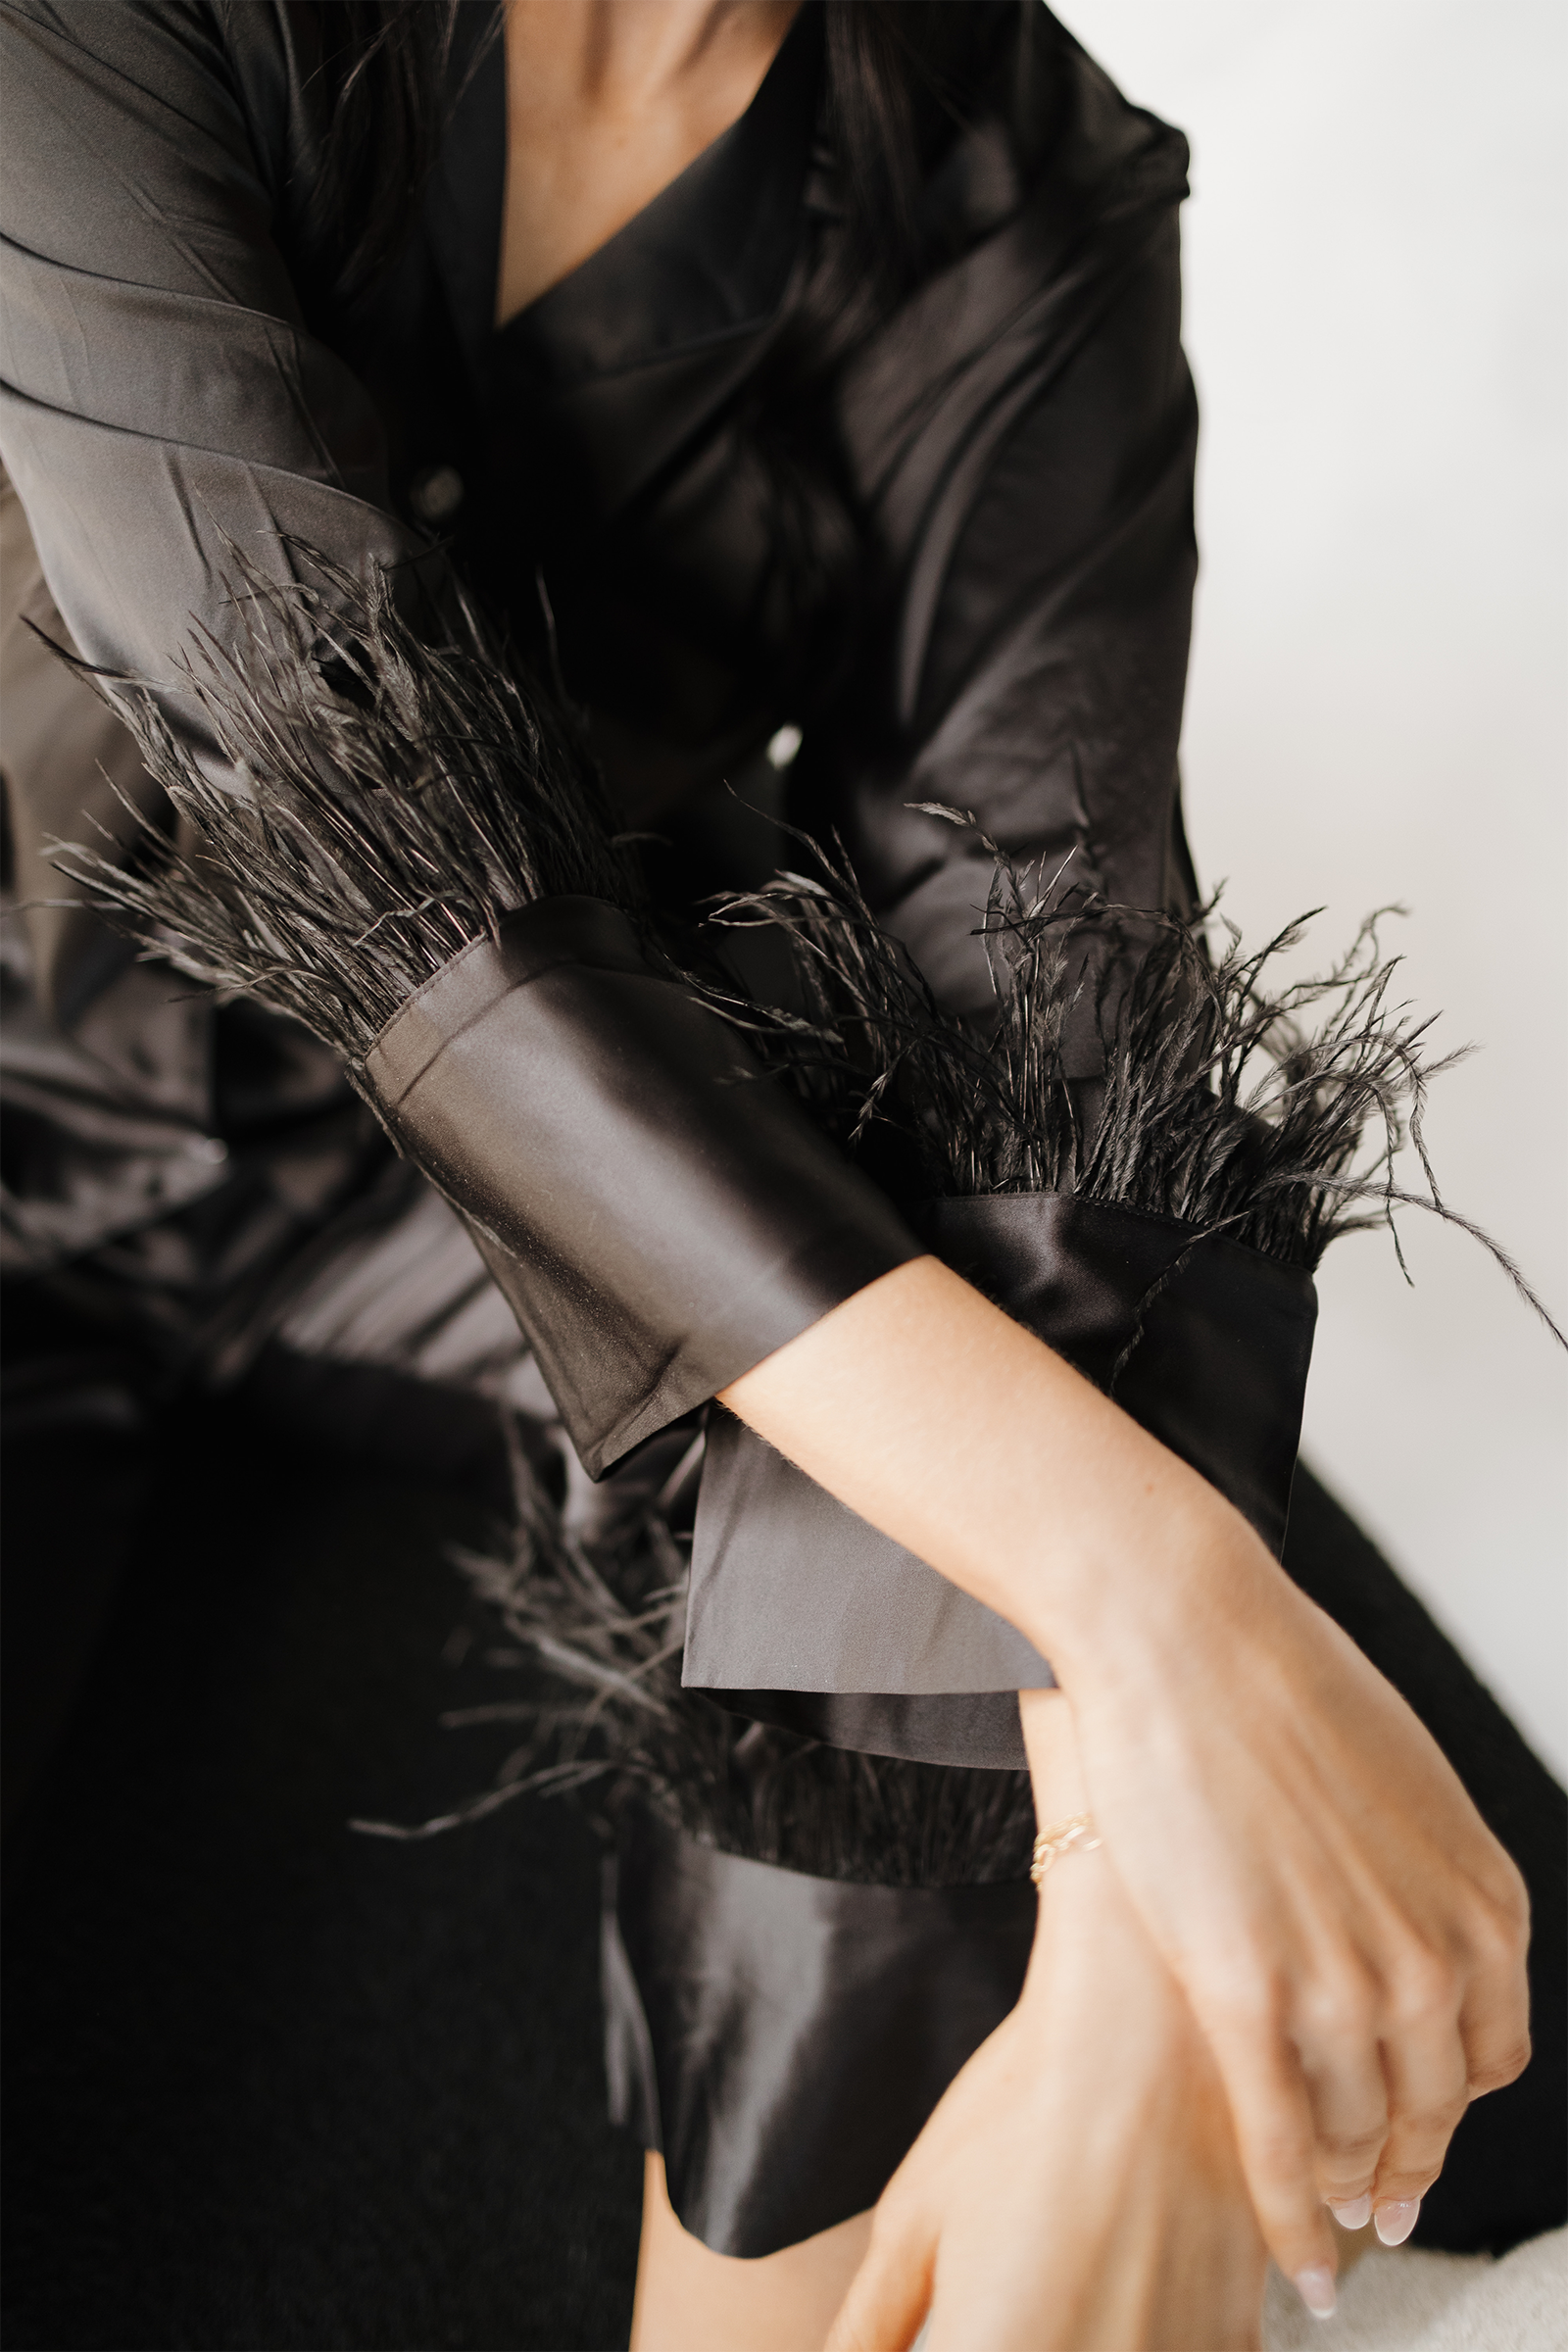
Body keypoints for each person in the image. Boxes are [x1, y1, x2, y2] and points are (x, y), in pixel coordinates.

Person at [0, 5, 1547, 2347]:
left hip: (521, 1190)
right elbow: (334, 782)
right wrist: (1158, 1593)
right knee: (1018, 1493)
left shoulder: (1017, 192)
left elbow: (1053, 1030)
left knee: (923, 1440)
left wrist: (1122, 1965)